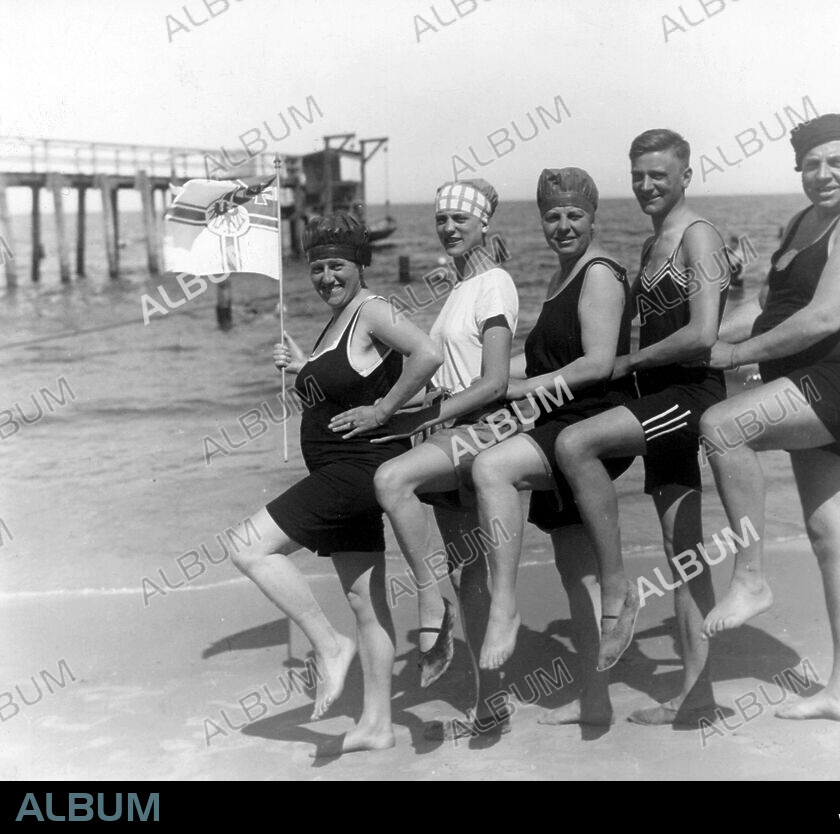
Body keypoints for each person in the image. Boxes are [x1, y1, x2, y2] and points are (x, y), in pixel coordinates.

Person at [699, 114, 840, 722]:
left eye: (836, 161)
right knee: (833, 542)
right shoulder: (799, 223)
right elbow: (770, 310)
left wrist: (735, 357)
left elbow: (822, 318)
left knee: (722, 426)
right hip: (810, 380)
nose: (823, 173)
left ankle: (752, 577)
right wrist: (705, 338)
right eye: (812, 163)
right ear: (798, 168)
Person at [228, 213, 442, 753]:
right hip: (342, 471)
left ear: (360, 265)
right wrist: (305, 365)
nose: (326, 276)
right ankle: (376, 725)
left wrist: (384, 409)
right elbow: (349, 382)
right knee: (366, 602)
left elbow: (428, 354)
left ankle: (329, 644)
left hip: (357, 470)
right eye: (318, 267)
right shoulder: (339, 322)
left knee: (247, 546)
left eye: (337, 265)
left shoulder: (371, 309)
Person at [553, 130, 733, 726]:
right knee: (682, 550)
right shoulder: (654, 241)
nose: (647, 185)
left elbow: (702, 333)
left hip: (686, 395)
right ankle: (697, 696)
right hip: (659, 397)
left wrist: (625, 363)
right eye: (638, 176)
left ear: (686, 175)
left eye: (659, 174)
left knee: (576, 443)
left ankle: (617, 589)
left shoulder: (697, 234)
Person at [471, 167, 634, 699]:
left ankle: (504, 606)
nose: (562, 225)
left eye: (574, 215)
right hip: (558, 422)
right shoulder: (559, 276)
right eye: (552, 216)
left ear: (593, 218)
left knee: (492, 467)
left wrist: (519, 391)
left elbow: (598, 365)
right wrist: (487, 381)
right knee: (574, 570)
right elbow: (544, 358)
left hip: (592, 422)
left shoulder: (600, 273)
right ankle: (593, 699)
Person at [365, 179, 520, 734]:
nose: (450, 228)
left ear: (483, 225)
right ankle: (489, 699)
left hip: (476, 431)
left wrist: (430, 415)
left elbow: (496, 381)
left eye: (460, 220)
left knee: (390, 481)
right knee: (468, 571)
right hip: (450, 428)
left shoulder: (494, 284)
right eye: (443, 220)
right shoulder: (460, 287)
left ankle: (432, 609)